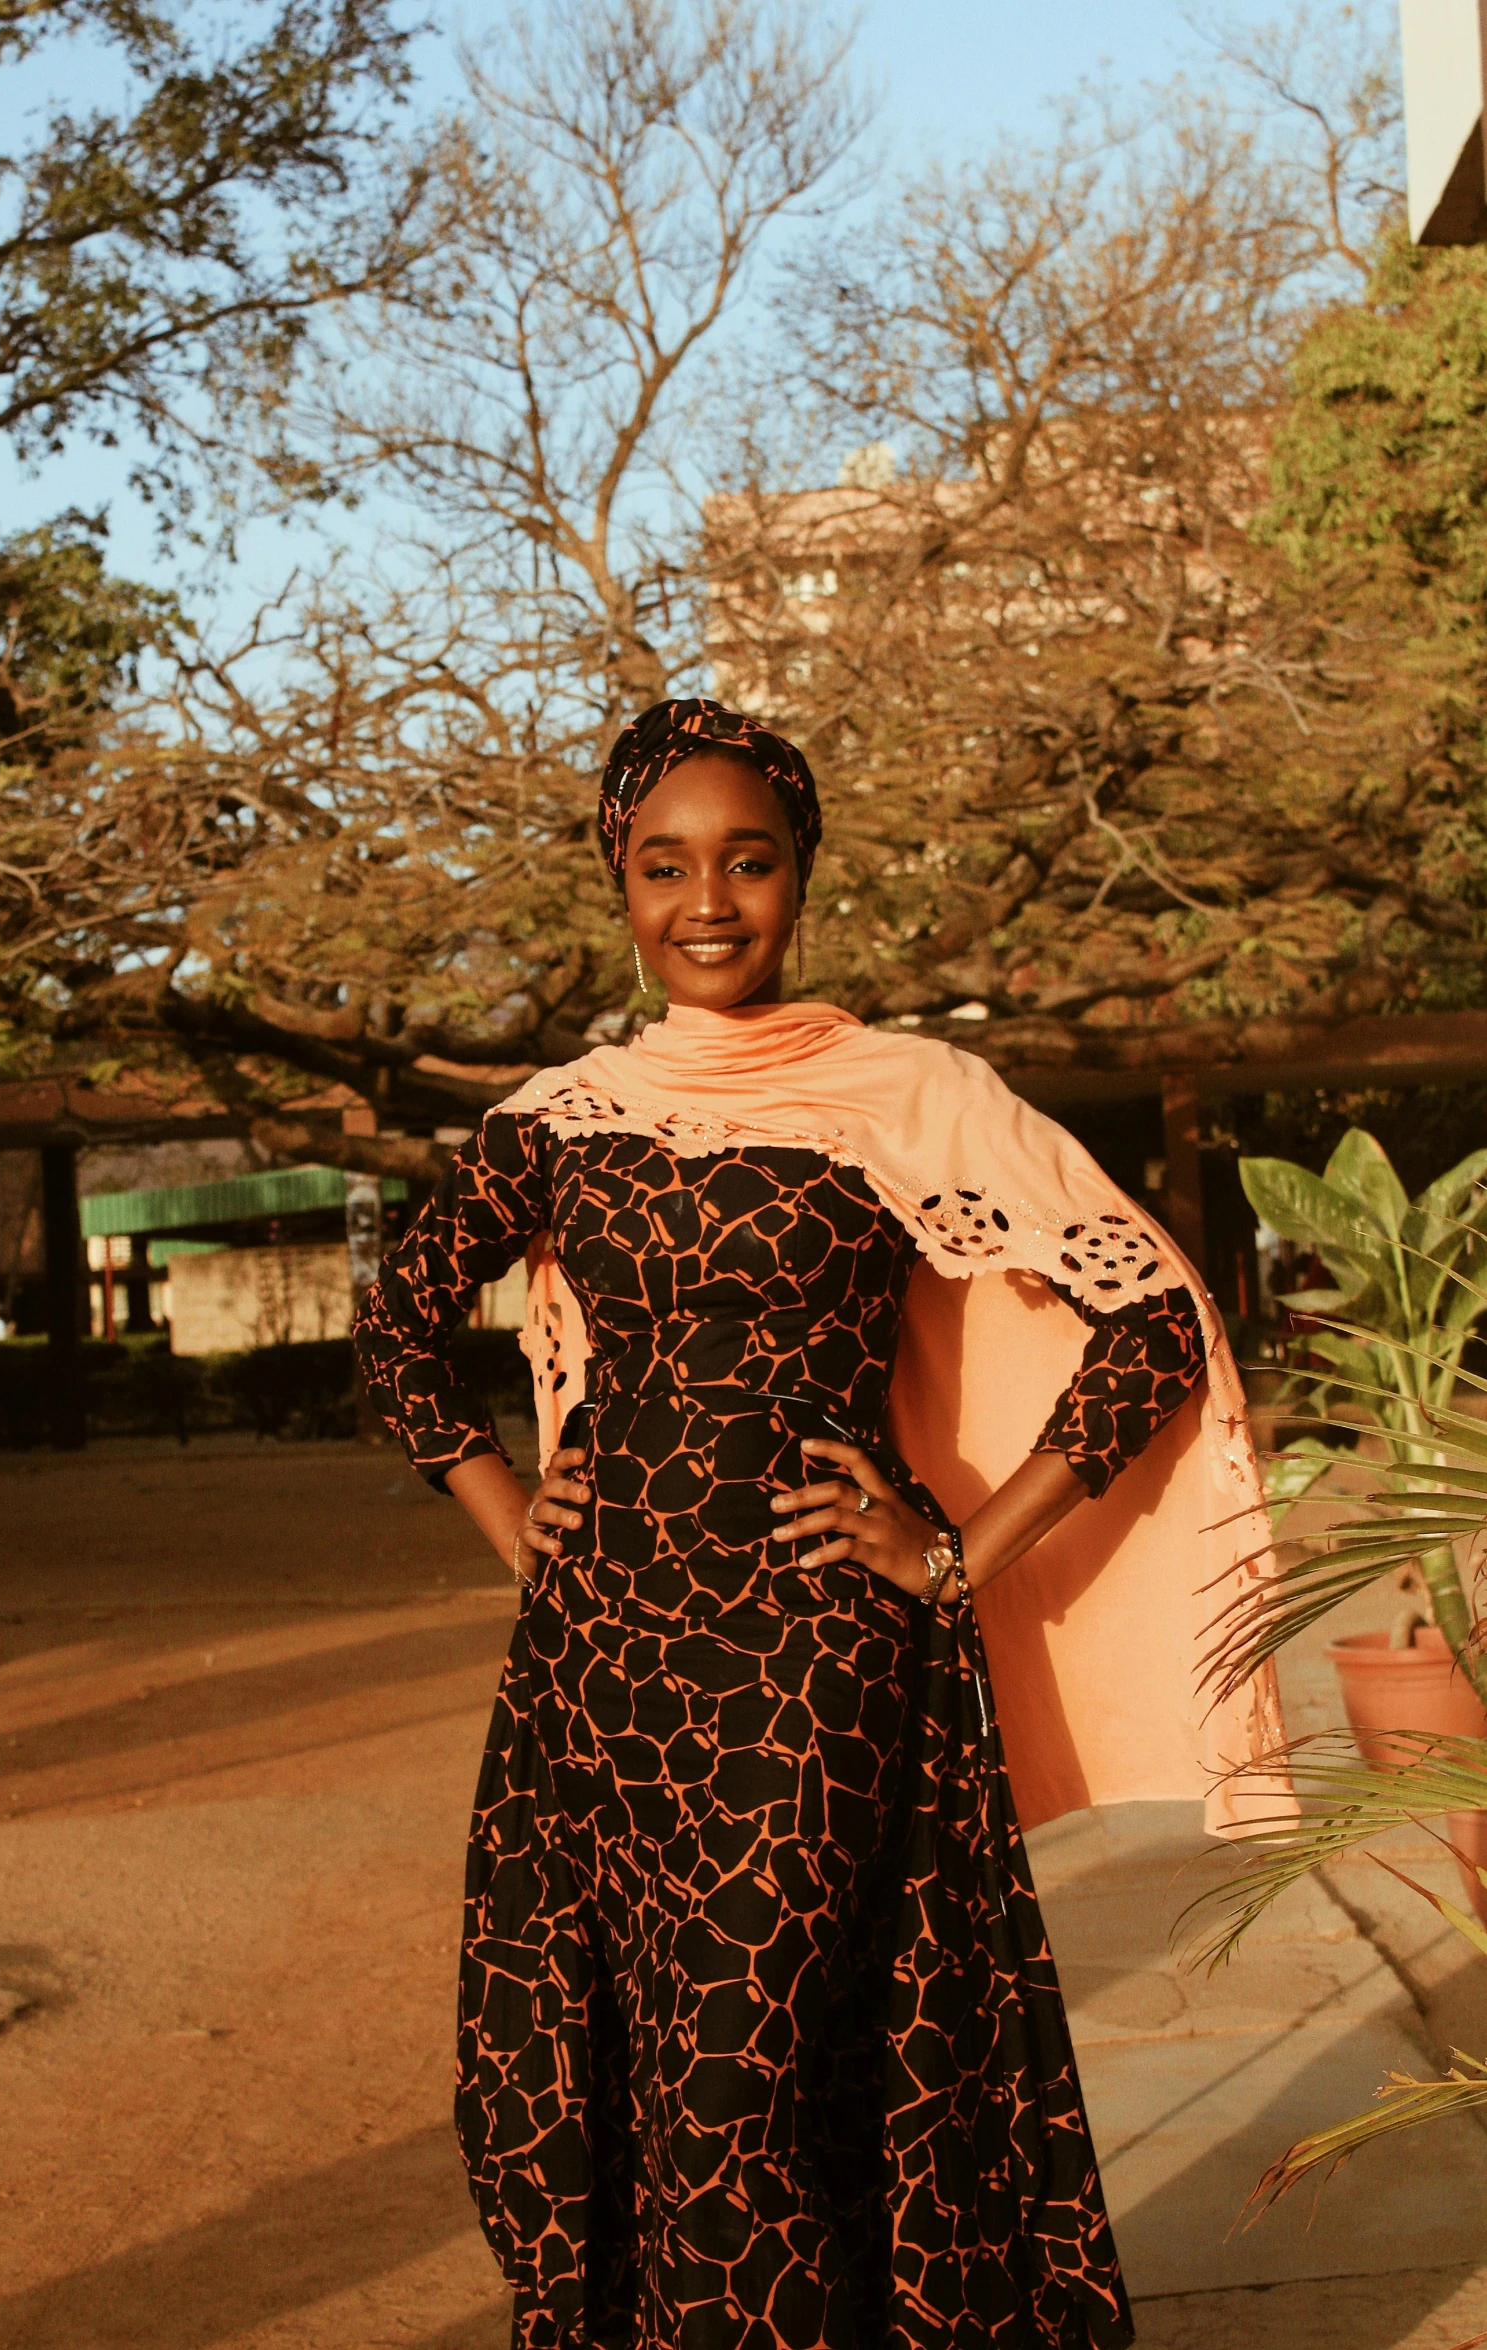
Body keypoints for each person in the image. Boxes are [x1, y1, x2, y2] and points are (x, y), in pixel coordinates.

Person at [354, 697, 1283, 2350]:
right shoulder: (562, 1119)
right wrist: (508, 1507)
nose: (704, 904)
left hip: (812, 1663)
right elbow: (398, 1311)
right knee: (605, 2075)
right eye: (662, 866)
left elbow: (1148, 1317)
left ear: (802, 876)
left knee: (744, 2071)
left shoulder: (909, 1096)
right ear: (618, 884)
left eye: (747, 862)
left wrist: (957, 1554)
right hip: (601, 1676)